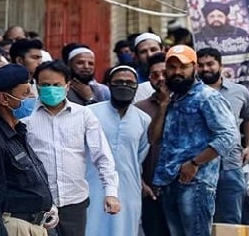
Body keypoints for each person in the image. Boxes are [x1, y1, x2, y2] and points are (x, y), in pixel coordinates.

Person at [150, 45, 237, 236]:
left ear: (195, 68)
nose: (177, 72)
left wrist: (195, 163)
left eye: (183, 67)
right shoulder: (173, 99)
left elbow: (229, 136)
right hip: (169, 181)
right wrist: (164, 104)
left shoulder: (207, 97)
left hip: (196, 183)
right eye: (172, 67)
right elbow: (153, 138)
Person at [25, 60, 119, 236]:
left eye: (56, 85)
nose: (51, 89)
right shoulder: (25, 118)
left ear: (67, 86)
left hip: (74, 202)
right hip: (37, 203)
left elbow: (102, 156)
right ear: (36, 86)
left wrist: (111, 192)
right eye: (45, 85)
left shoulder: (83, 114)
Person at [0, 64, 58, 236]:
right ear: (4, 99)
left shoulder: (16, 130)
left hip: (34, 226)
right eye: (25, 94)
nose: (32, 97)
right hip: (12, 228)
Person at [85, 66, 150, 236]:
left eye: (129, 83)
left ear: (137, 86)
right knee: (91, 227)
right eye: (119, 82)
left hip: (129, 187)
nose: (124, 86)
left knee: (124, 230)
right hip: (92, 183)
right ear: (109, 84)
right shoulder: (89, 113)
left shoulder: (143, 119)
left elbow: (140, 154)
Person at [197, 47, 249, 224]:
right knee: (199, 222)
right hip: (198, 167)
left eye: (210, 64)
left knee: (230, 222)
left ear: (221, 65)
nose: (206, 69)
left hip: (230, 165)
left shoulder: (239, 92)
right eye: (200, 65)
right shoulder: (189, 94)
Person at [134, 53, 171, 236]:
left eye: (165, 73)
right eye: (155, 75)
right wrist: (140, 183)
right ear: (149, 79)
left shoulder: (189, 103)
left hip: (181, 188)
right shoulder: (139, 109)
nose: (161, 78)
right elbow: (132, 151)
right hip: (151, 190)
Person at [9, 39, 44, 118]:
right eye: (35, 58)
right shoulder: (7, 85)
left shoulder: (39, 82)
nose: (40, 62)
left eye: (40, 58)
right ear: (20, 60)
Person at [132, 33, 164, 101]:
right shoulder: (133, 80)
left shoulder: (172, 76)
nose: (149, 55)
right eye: (143, 52)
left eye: (153, 50)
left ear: (162, 50)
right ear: (137, 56)